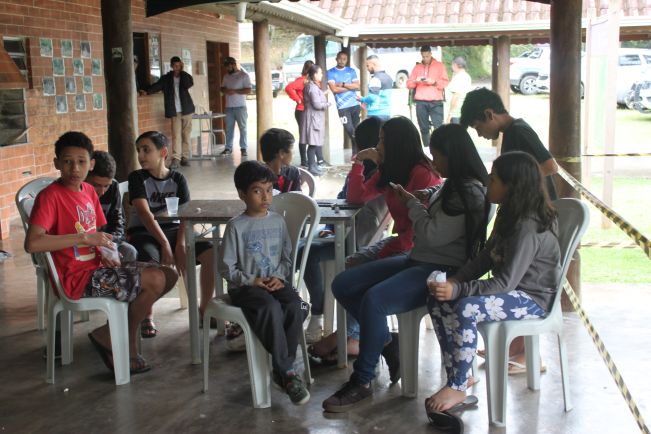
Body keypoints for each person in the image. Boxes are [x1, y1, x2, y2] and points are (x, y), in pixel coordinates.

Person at [322, 124, 490, 412]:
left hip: (440, 268)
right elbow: (435, 196)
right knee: (344, 283)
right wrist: (425, 195)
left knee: (374, 300)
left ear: (452, 155)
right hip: (418, 258)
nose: (433, 160)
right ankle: (387, 341)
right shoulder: (452, 184)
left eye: (437, 155)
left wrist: (412, 204)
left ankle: (362, 380)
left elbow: (431, 234)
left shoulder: (469, 192)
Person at [25, 131, 178, 374]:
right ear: (56, 163)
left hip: (98, 269)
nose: (75, 168)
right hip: (76, 278)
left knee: (168, 275)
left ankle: (109, 333)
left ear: (91, 164)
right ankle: (122, 341)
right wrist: (83, 238)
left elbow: (95, 232)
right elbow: (32, 244)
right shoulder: (50, 197)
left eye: (81, 161)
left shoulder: (88, 191)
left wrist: (107, 250)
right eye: (67, 161)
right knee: (155, 279)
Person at [425, 151, 561, 414]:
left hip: (532, 299)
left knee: (466, 307)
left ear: (512, 186)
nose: (488, 182)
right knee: (437, 299)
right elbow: (486, 258)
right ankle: (459, 376)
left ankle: (457, 385)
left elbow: (505, 283)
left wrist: (460, 289)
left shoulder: (527, 226)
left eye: (494, 178)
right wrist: (455, 280)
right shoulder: (508, 215)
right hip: (511, 292)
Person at [311, 116, 441, 366]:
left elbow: (419, 231)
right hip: (398, 242)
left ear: (397, 143)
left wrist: (385, 252)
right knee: (350, 265)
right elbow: (357, 197)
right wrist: (359, 162)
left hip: (417, 249)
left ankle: (352, 338)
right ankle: (383, 339)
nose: (378, 145)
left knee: (359, 276)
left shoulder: (423, 175)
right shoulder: (390, 169)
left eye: (382, 140)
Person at [219, 160, 310, 405]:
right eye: (257, 191)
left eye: (269, 190)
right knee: (270, 307)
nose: (265, 196)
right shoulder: (236, 227)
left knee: (298, 306)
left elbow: (287, 258)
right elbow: (227, 268)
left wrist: (279, 277)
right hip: (246, 287)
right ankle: (287, 372)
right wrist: (252, 280)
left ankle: (283, 370)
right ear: (242, 194)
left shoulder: (278, 221)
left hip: (275, 282)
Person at [299, 117, 388, 349]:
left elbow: (355, 199)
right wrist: (330, 227)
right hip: (347, 234)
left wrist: (358, 163)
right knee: (303, 249)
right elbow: (343, 198)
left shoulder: (380, 173)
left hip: (361, 241)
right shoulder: (366, 170)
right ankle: (318, 314)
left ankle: (330, 322)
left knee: (307, 252)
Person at [126, 131, 214, 338]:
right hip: (144, 233)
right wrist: (166, 244)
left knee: (211, 253)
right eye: (139, 150)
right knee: (149, 261)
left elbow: (186, 213)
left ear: (163, 152)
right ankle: (147, 315)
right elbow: (145, 214)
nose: (141, 155)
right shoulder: (137, 178)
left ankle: (205, 310)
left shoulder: (178, 179)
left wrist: (180, 245)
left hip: (175, 231)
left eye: (146, 150)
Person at [460, 88, 558, 202]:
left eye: (478, 127)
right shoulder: (510, 132)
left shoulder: (519, 131)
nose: (479, 134)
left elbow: (550, 166)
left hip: (537, 207)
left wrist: (511, 185)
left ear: (489, 114)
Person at [140, 56, 195, 169]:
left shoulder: (185, 76)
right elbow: (157, 86)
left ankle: (185, 157)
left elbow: (188, 84)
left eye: (178, 66)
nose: (177, 68)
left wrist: (182, 72)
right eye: (175, 66)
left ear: (181, 65)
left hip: (186, 110)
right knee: (176, 135)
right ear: (171, 66)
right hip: (175, 111)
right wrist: (147, 91)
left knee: (186, 134)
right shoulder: (167, 78)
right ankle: (176, 158)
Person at [85, 150, 137, 263]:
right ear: (86, 177)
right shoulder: (78, 192)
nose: (102, 191)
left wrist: (109, 244)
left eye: (106, 186)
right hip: (84, 244)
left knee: (129, 252)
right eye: (96, 185)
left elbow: (118, 224)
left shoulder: (113, 186)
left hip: (108, 241)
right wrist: (99, 247)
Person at [407, 45, 449, 147]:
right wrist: (415, 81)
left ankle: (440, 148)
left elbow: (445, 83)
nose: (425, 58)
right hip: (421, 102)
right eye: (423, 56)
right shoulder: (417, 67)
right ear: (421, 55)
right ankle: (426, 148)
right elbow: (408, 84)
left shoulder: (440, 66)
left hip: (436, 101)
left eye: (427, 56)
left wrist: (434, 82)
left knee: (439, 127)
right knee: (423, 128)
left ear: (431, 54)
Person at [327, 50, 361, 152]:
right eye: (340, 59)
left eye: (344, 59)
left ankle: (356, 153)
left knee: (357, 131)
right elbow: (334, 89)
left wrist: (342, 84)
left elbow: (357, 86)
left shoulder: (351, 71)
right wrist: (350, 87)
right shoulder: (330, 72)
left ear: (347, 60)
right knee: (350, 130)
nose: (342, 61)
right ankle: (357, 151)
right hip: (342, 107)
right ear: (336, 59)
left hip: (355, 104)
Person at [302, 64, 331, 177]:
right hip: (313, 118)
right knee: (313, 144)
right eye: (320, 73)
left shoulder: (312, 86)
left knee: (313, 143)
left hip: (314, 117)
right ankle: (312, 167)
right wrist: (327, 104)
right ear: (314, 74)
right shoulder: (312, 87)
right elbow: (317, 104)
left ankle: (313, 166)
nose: (322, 75)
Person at [220, 56, 252, 157]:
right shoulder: (226, 76)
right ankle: (228, 148)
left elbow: (248, 90)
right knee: (229, 128)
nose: (227, 69)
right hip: (228, 107)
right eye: (226, 67)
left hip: (240, 107)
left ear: (234, 65)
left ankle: (243, 148)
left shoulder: (244, 75)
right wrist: (226, 90)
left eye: (229, 66)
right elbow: (222, 88)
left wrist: (235, 91)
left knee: (243, 128)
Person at [285, 60, 314, 167]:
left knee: (310, 135)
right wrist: (298, 99)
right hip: (301, 111)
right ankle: (304, 161)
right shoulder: (302, 80)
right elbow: (288, 88)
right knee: (304, 136)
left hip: (309, 111)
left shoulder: (311, 81)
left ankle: (310, 160)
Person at [260, 128, 302, 194]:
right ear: (282, 153)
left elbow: (298, 197)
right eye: (292, 149)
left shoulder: (293, 172)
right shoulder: (259, 176)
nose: (293, 153)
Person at [358, 55, 393, 121]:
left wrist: (362, 99)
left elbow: (372, 97)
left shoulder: (375, 79)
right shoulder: (389, 77)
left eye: (367, 65)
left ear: (373, 64)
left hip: (375, 114)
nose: (367, 68)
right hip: (387, 113)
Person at [446, 56, 472, 124]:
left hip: (455, 113)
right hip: (463, 111)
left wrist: (450, 113)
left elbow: (455, 96)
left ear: (455, 65)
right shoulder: (466, 76)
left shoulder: (458, 78)